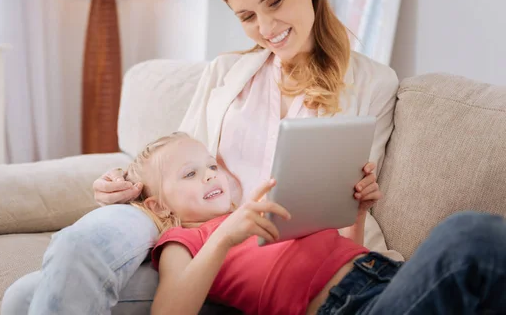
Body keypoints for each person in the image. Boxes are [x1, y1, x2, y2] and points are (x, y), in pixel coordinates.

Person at [2, 0, 400, 314]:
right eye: (247, 16)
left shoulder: (372, 84)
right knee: (57, 266)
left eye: (275, 2)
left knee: (24, 298)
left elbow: (345, 198)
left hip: (268, 255)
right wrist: (127, 181)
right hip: (188, 228)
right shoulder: (227, 71)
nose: (265, 28)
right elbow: (179, 154)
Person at [134, 132, 506, 315]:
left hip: (388, 278)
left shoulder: (256, 213)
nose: (210, 177)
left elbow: (344, 254)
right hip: (350, 307)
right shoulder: (187, 238)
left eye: (212, 167)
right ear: (159, 205)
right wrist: (225, 238)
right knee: (466, 238)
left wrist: (355, 213)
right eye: (190, 174)